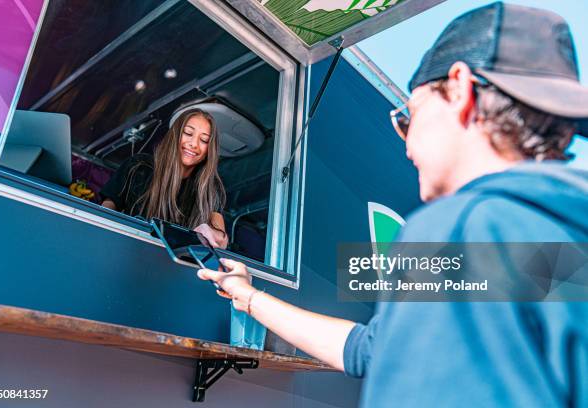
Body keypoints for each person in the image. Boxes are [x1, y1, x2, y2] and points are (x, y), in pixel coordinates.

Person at [197, 3, 588, 407]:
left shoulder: (464, 227)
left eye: (410, 116)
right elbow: (373, 347)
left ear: (460, 90)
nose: (407, 145)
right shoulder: (559, 236)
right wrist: (248, 297)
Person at [101, 108, 228, 248]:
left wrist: (209, 231)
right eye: (188, 133)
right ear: (175, 135)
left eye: (204, 140)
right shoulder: (138, 166)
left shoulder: (210, 187)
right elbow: (107, 209)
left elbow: (221, 239)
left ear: (209, 150)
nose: (194, 144)